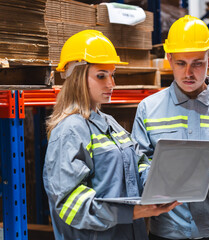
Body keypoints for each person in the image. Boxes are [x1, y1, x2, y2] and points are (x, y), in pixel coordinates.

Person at [131, 15, 209, 240]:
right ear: (169, 58)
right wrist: (156, 180)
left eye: (197, 63)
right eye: (181, 63)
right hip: (168, 233)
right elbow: (137, 167)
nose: (188, 73)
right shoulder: (148, 109)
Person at [43, 30, 180, 240]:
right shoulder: (70, 130)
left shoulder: (110, 124)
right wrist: (134, 212)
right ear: (78, 77)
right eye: (101, 75)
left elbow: (138, 162)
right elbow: (70, 203)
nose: (111, 84)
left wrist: (162, 183)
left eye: (112, 74)